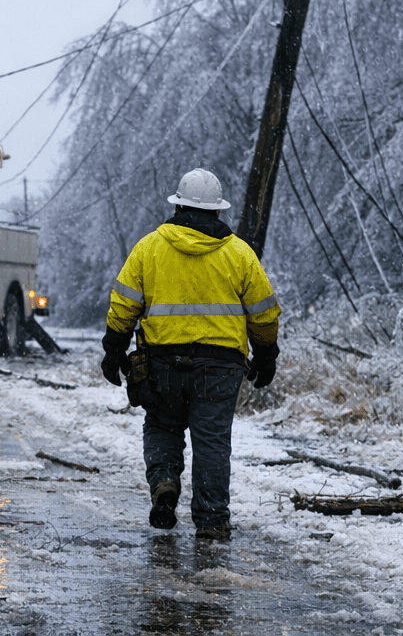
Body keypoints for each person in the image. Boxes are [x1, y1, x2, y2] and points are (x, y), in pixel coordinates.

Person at [99, 168, 280, 540]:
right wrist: (266, 352)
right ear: (217, 211)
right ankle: (212, 520)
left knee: (163, 426)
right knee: (212, 440)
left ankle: (165, 481)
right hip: (221, 367)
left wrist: (114, 347)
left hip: (162, 363)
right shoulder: (239, 253)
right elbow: (264, 311)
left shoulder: (149, 247)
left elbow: (124, 303)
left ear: (178, 205)